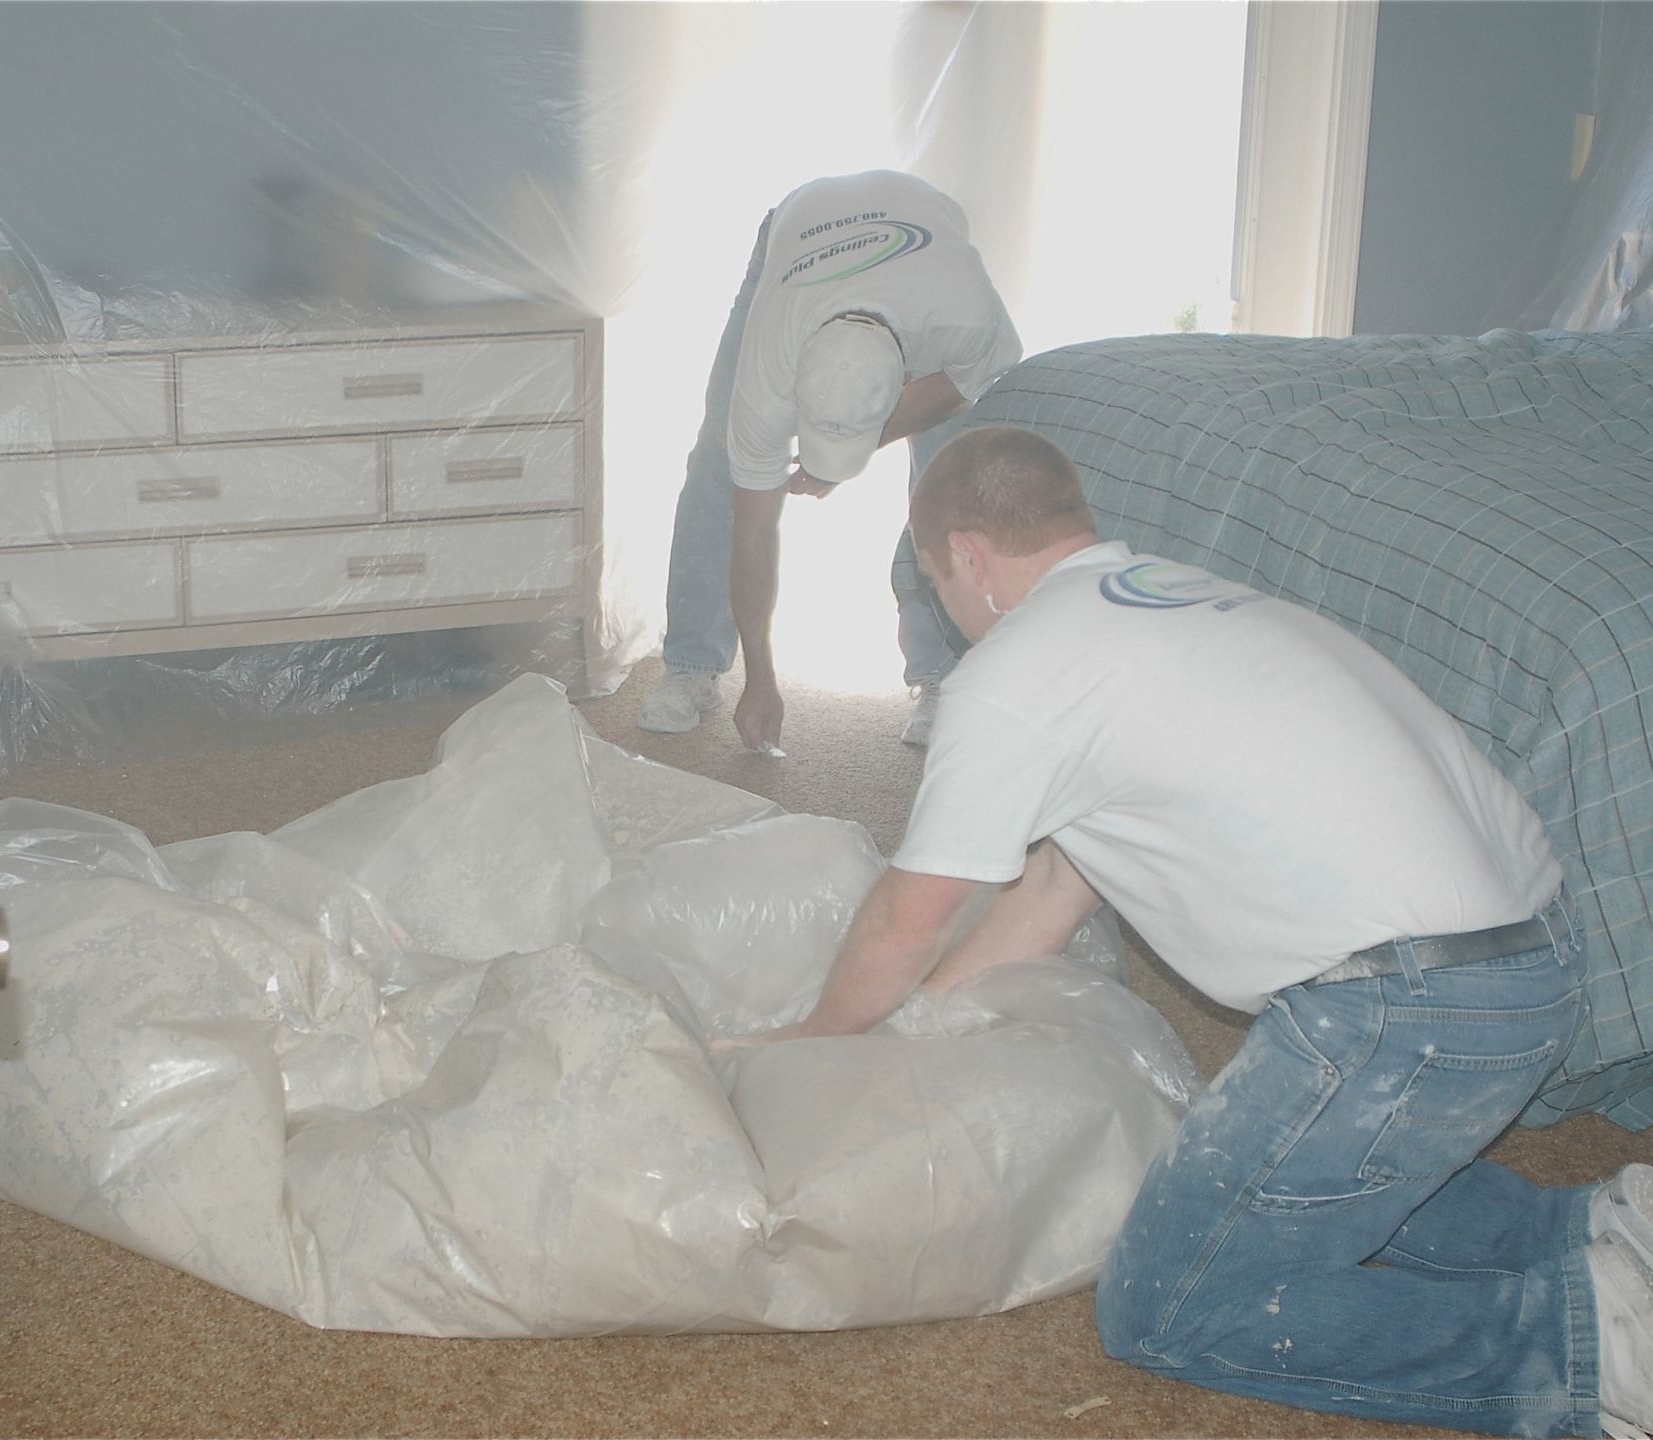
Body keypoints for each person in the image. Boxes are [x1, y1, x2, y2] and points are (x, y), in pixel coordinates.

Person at [739, 424, 1653, 1437]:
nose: (949, 609)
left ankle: (1589, 1349)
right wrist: (920, 1029)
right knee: (1288, 1175)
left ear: (966, 555)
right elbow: (1056, 887)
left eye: (935, 580)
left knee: (1172, 1303)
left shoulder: (1020, 671)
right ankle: (1603, 1232)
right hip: (1533, 962)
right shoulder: (1174, 602)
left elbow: (914, 908)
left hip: (1412, 1009)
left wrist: (816, 1040)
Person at [637, 170, 1022, 750]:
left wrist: (863, 439)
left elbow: (963, 386)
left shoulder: (965, 318)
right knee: (720, 457)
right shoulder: (768, 371)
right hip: (796, 235)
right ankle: (693, 664)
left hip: (922, 221)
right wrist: (761, 681)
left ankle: (945, 673)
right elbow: (754, 532)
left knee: (956, 470)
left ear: (903, 377)